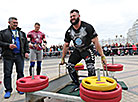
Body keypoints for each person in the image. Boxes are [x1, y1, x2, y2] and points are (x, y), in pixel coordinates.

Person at [60, 9, 107, 92]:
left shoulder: (87, 27)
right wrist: (63, 58)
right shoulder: (69, 31)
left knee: (91, 68)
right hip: (77, 50)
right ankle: (76, 84)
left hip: (88, 49)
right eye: (71, 17)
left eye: (74, 16)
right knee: (70, 66)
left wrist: (102, 56)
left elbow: (96, 41)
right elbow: (66, 45)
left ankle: (91, 87)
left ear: (79, 16)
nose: (72, 18)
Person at [0, 17, 29, 98]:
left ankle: (20, 88)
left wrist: (27, 52)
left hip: (19, 56)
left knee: (20, 72)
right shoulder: (3, 33)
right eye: (14, 22)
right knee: (7, 73)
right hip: (8, 56)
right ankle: (8, 90)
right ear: (9, 23)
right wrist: (8, 45)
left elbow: (26, 43)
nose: (16, 24)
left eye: (16, 22)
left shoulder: (21, 33)